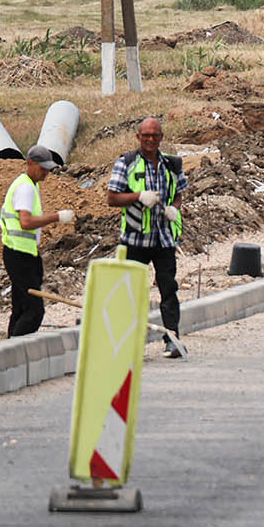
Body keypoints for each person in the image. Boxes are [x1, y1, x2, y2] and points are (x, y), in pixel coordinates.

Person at [106, 116, 188, 357]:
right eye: (146, 135)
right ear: (138, 137)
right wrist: (138, 196)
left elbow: (179, 193)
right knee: (131, 292)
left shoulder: (172, 165)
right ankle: (129, 342)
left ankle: (172, 338)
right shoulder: (127, 163)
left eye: (155, 135)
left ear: (161, 138)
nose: (151, 140)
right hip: (135, 240)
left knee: (168, 289)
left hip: (163, 239)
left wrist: (174, 207)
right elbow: (112, 198)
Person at [2, 144, 75, 338]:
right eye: (43, 168)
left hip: (22, 253)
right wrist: (57, 217)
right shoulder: (25, 187)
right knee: (34, 311)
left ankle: (11, 349)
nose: (46, 173)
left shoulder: (27, 184)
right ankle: (15, 348)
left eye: (48, 169)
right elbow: (25, 222)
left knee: (20, 307)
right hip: (19, 255)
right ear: (30, 163)